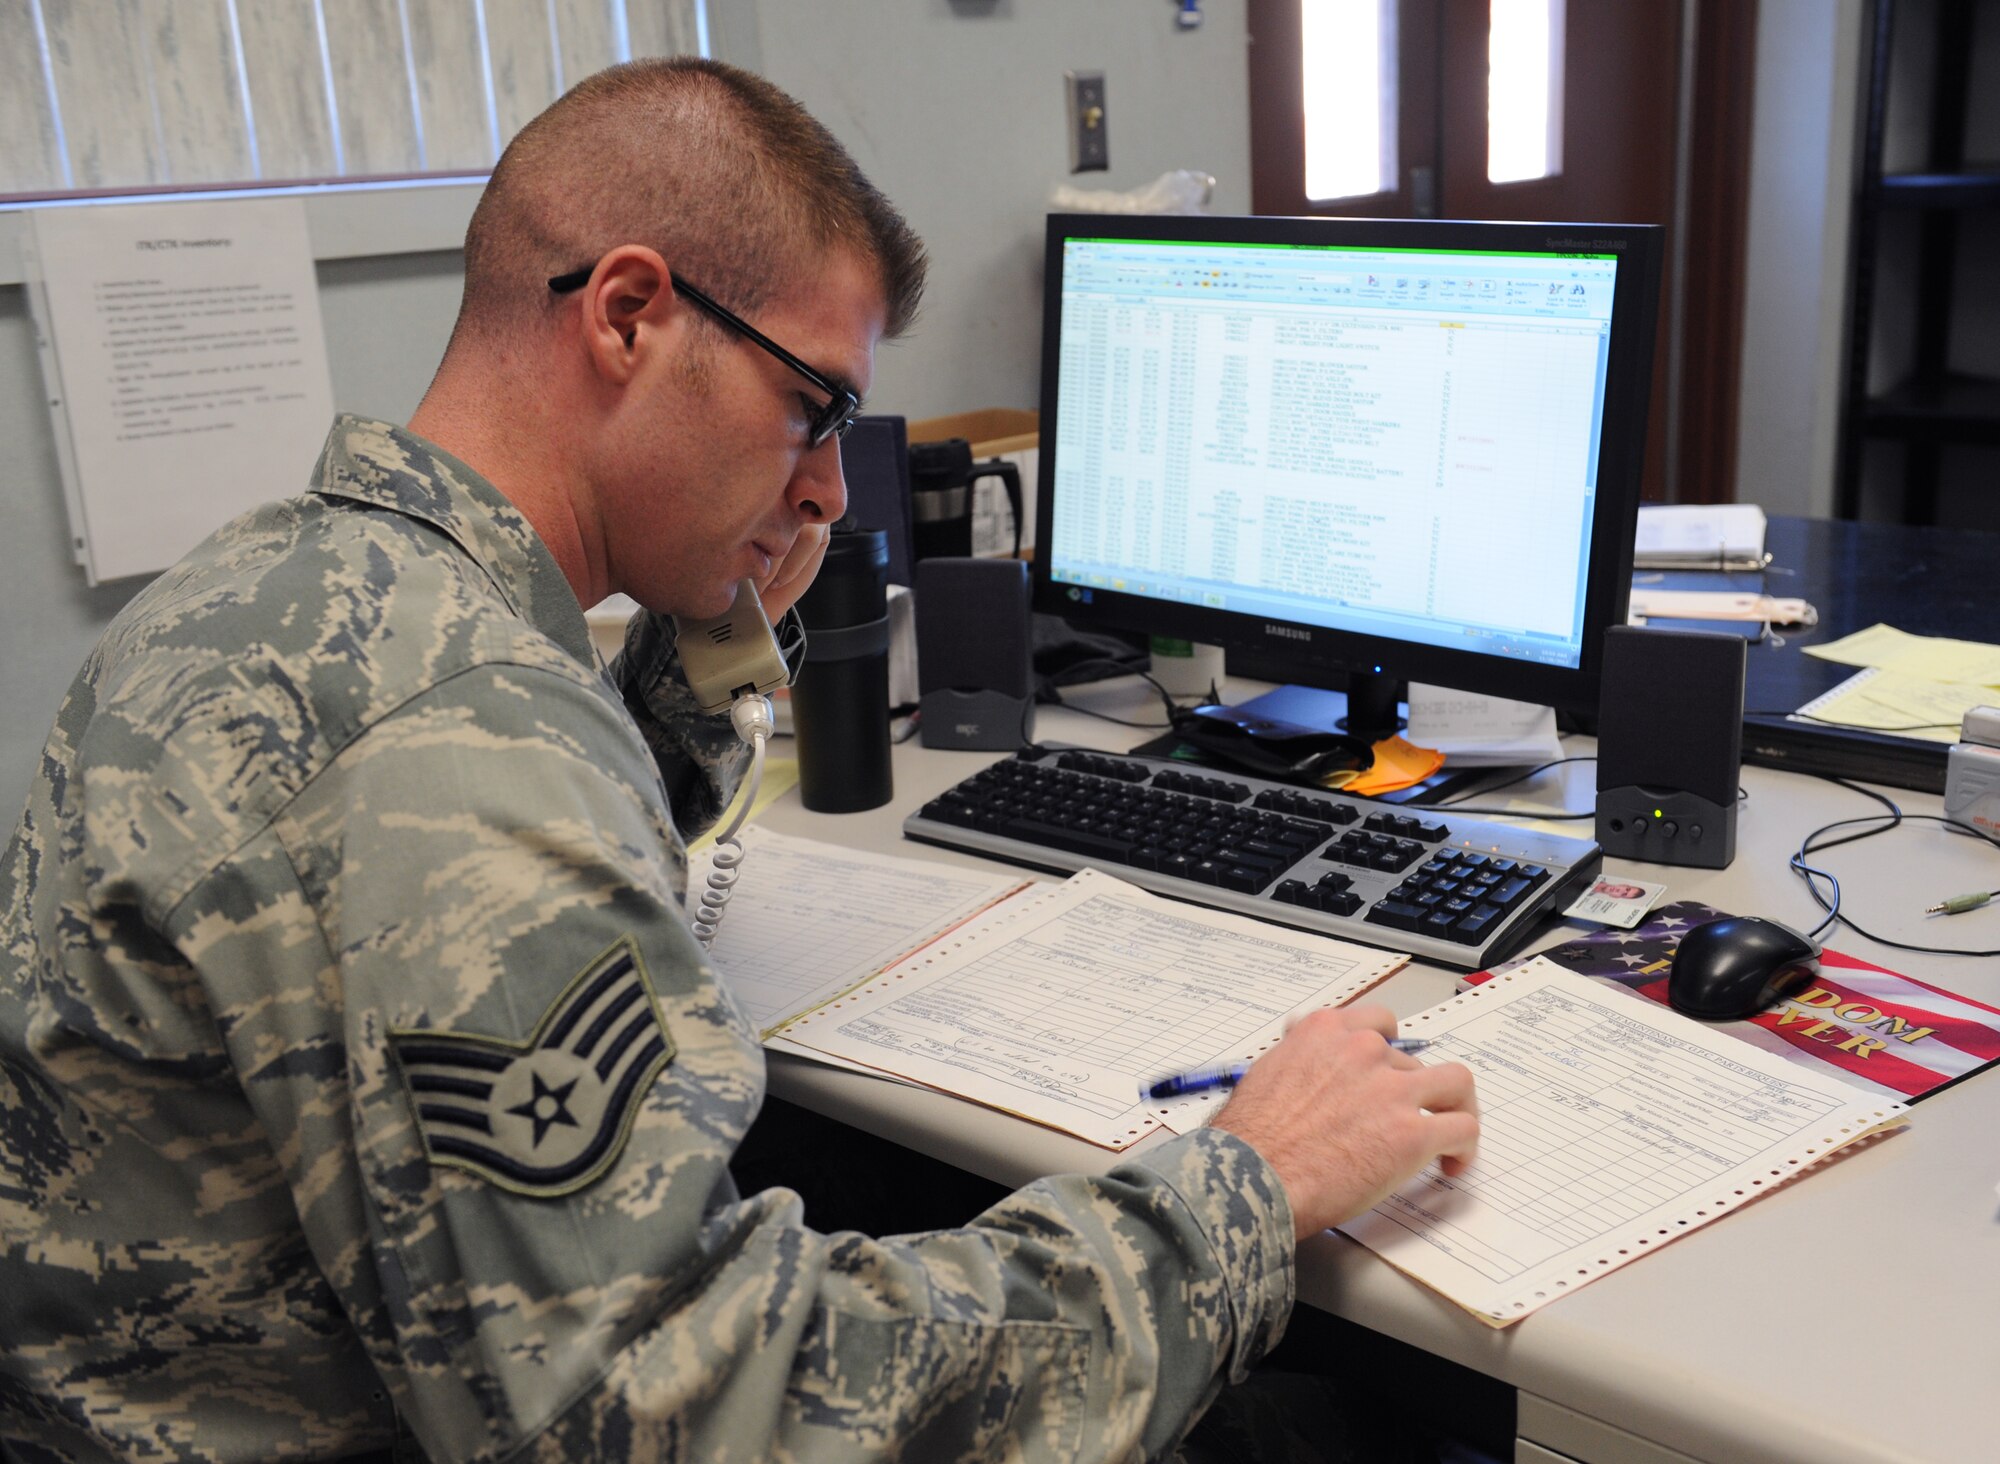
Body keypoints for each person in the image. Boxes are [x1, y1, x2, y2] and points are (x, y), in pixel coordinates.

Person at [0, 58, 1478, 1463]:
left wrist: (712, 634)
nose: (831, 485)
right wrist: (1251, 1187)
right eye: (813, 408)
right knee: (1359, 1422)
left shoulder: (287, 587)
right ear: (628, 315)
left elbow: (503, 864)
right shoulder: (454, 736)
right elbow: (688, 1416)